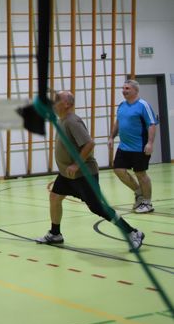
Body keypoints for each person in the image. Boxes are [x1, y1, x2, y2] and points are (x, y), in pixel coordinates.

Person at [36, 90, 145, 251]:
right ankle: (55, 234)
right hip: (67, 175)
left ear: (67, 104)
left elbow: (89, 144)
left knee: (97, 207)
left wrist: (76, 164)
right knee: (55, 197)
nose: (53, 102)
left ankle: (133, 232)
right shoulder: (62, 120)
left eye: (57, 99)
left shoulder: (72, 121)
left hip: (83, 173)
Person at [107, 80, 157, 214]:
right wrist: (111, 137)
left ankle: (147, 203)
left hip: (139, 147)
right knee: (118, 170)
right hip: (124, 147)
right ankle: (139, 194)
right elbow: (117, 123)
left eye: (127, 88)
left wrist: (150, 143)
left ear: (135, 90)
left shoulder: (143, 105)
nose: (124, 91)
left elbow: (152, 124)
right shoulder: (122, 105)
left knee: (141, 174)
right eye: (123, 88)